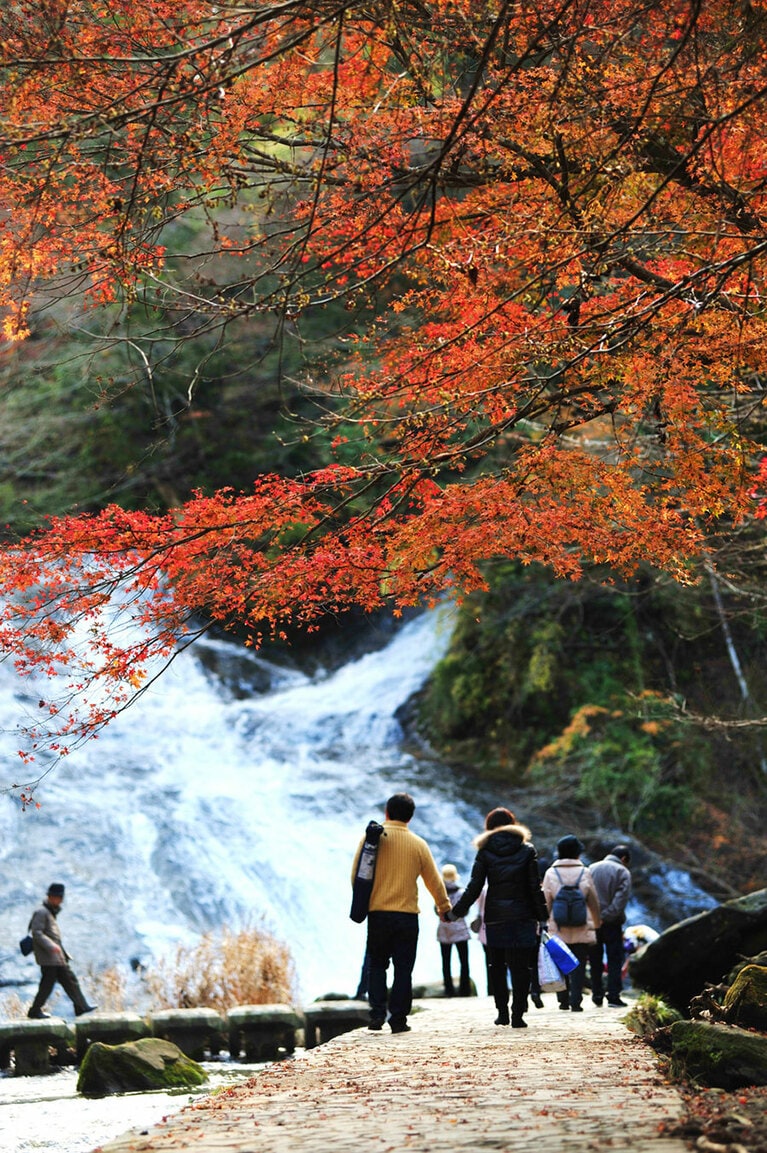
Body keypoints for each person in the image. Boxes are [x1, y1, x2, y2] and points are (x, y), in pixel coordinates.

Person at [351, 792, 451, 1034]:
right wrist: (443, 907)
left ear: (387, 813)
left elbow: (357, 875)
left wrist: (367, 900)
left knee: (377, 965)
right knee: (403, 969)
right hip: (407, 916)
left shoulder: (372, 838)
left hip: (378, 915)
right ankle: (398, 1019)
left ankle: (376, 1015)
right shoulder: (418, 844)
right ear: (410, 817)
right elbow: (434, 881)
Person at [449, 807, 548, 1028]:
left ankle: (502, 1013)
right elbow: (534, 887)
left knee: (497, 966)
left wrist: (456, 912)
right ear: (513, 823)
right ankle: (518, 1015)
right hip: (523, 916)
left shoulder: (485, 852)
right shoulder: (527, 850)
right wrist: (543, 917)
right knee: (521, 967)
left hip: (495, 917)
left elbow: (475, 886)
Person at [542, 836, 601, 1012]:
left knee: (561, 962)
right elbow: (593, 901)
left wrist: (545, 922)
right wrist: (596, 923)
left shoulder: (551, 873)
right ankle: (576, 1000)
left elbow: (546, 901)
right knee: (579, 964)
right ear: (578, 852)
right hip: (581, 925)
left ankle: (563, 1000)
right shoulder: (585, 872)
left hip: (558, 927)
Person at [27, 883, 96, 1019]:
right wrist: (51, 946)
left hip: (56, 957)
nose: (61, 900)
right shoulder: (42, 912)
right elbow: (37, 933)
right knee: (47, 984)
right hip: (49, 957)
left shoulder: (50, 912)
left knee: (70, 980)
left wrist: (62, 952)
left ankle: (81, 1006)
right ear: (51, 897)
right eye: (59, 897)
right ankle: (34, 1011)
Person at [588, 845, 632, 1007]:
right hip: (612, 923)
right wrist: (606, 916)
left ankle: (597, 994)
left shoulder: (591, 868)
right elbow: (620, 900)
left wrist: (595, 916)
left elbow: (584, 894)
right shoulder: (622, 872)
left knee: (594, 958)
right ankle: (613, 995)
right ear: (624, 859)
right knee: (614, 959)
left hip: (592, 921)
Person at [436, 864, 471, 997]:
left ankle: (448, 990)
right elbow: (465, 911)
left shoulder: (440, 892)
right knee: (464, 961)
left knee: (446, 961)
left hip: (444, 930)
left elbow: (436, 910)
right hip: (460, 930)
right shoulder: (461, 892)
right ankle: (465, 990)